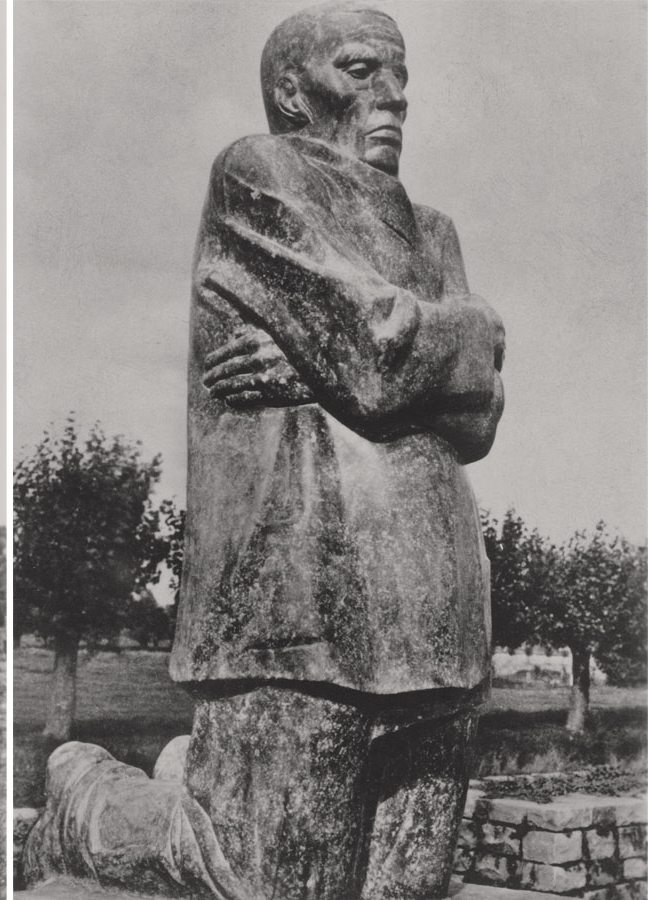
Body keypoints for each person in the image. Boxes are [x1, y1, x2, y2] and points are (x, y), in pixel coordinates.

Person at [175, 4, 505, 898]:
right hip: (300, 624)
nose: (394, 95)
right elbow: (374, 353)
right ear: (291, 91)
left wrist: (345, 356)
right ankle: (94, 806)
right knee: (265, 882)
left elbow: (476, 421)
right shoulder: (259, 171)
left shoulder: (433, 235)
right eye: (363, 71)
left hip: (440, 621)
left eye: (400, 75)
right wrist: (444, 343)